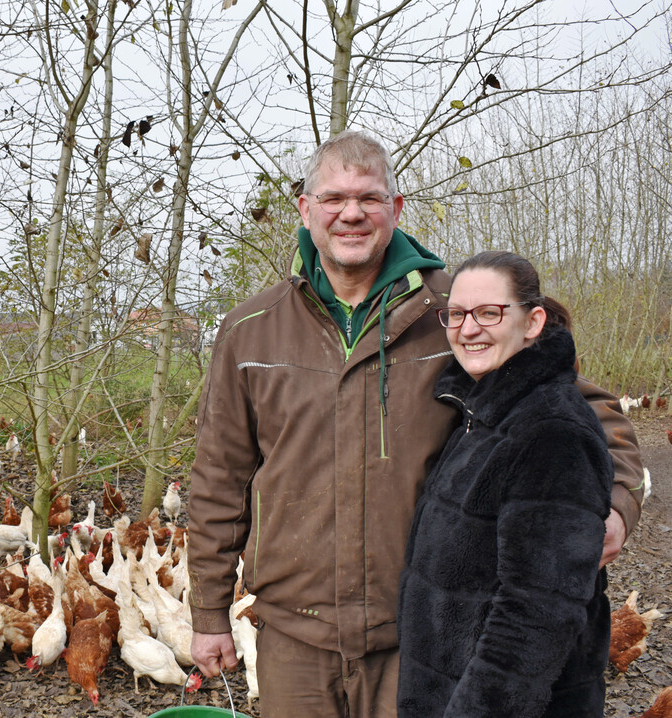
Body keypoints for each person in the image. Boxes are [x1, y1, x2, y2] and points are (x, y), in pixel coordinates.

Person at [186, 130, 645, 718]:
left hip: (423, 638)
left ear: (396, 209)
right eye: (332, 198)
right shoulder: (252, 328)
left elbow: (586, 411)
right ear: (305, 209)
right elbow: (218, 477)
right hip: (293, 638)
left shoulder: (459, 313)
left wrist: (614, 504)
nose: (351, 213)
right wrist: (208, 614)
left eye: (370, 198)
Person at [396, 251, 611, 718]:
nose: (468, 328)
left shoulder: (552, 431)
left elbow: (535, 616)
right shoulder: (480, 412)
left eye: (489, 312)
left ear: (533, 322)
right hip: (447, 693)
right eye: (455, 314)